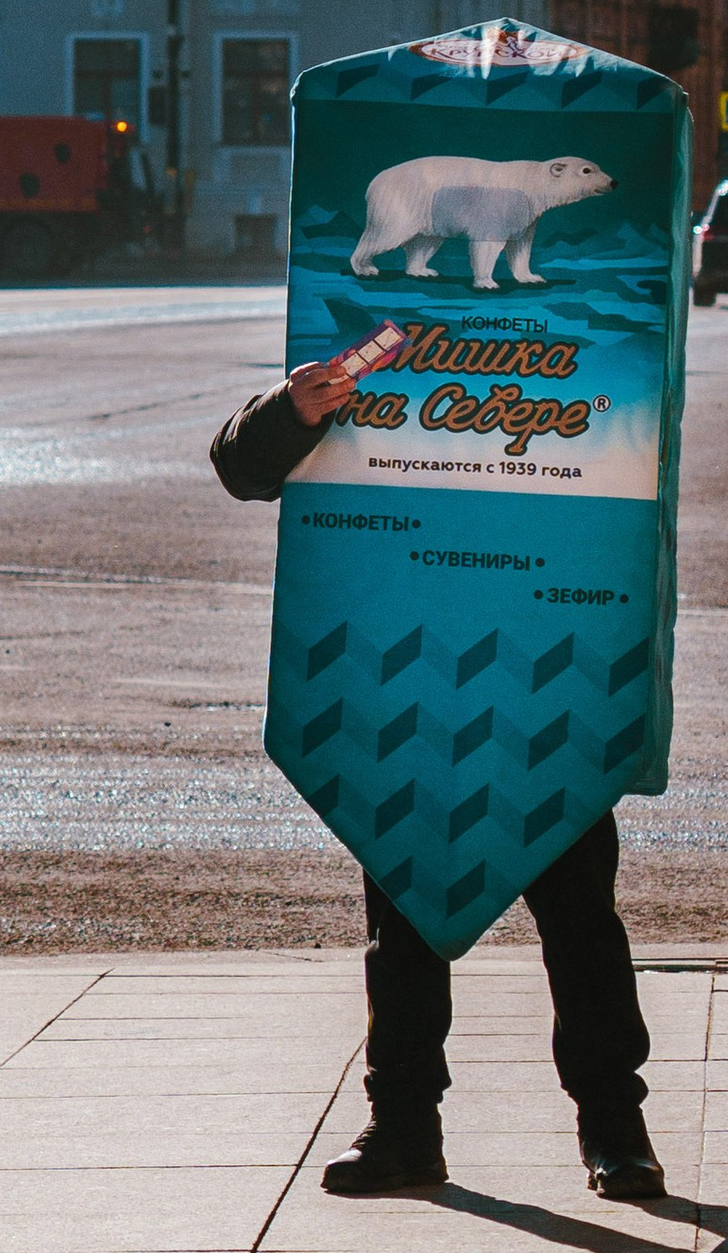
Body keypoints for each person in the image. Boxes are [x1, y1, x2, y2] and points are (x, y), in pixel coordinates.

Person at [212, 350, 666, 1203]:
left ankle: (615, 1126)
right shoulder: (350, 351)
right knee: (406, 919)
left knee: (579, 920)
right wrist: (288, 411)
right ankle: (405, 1128)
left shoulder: (579, 325)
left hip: (547, 681)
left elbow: (629, 470)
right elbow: (239, 466)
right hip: (408, 687)